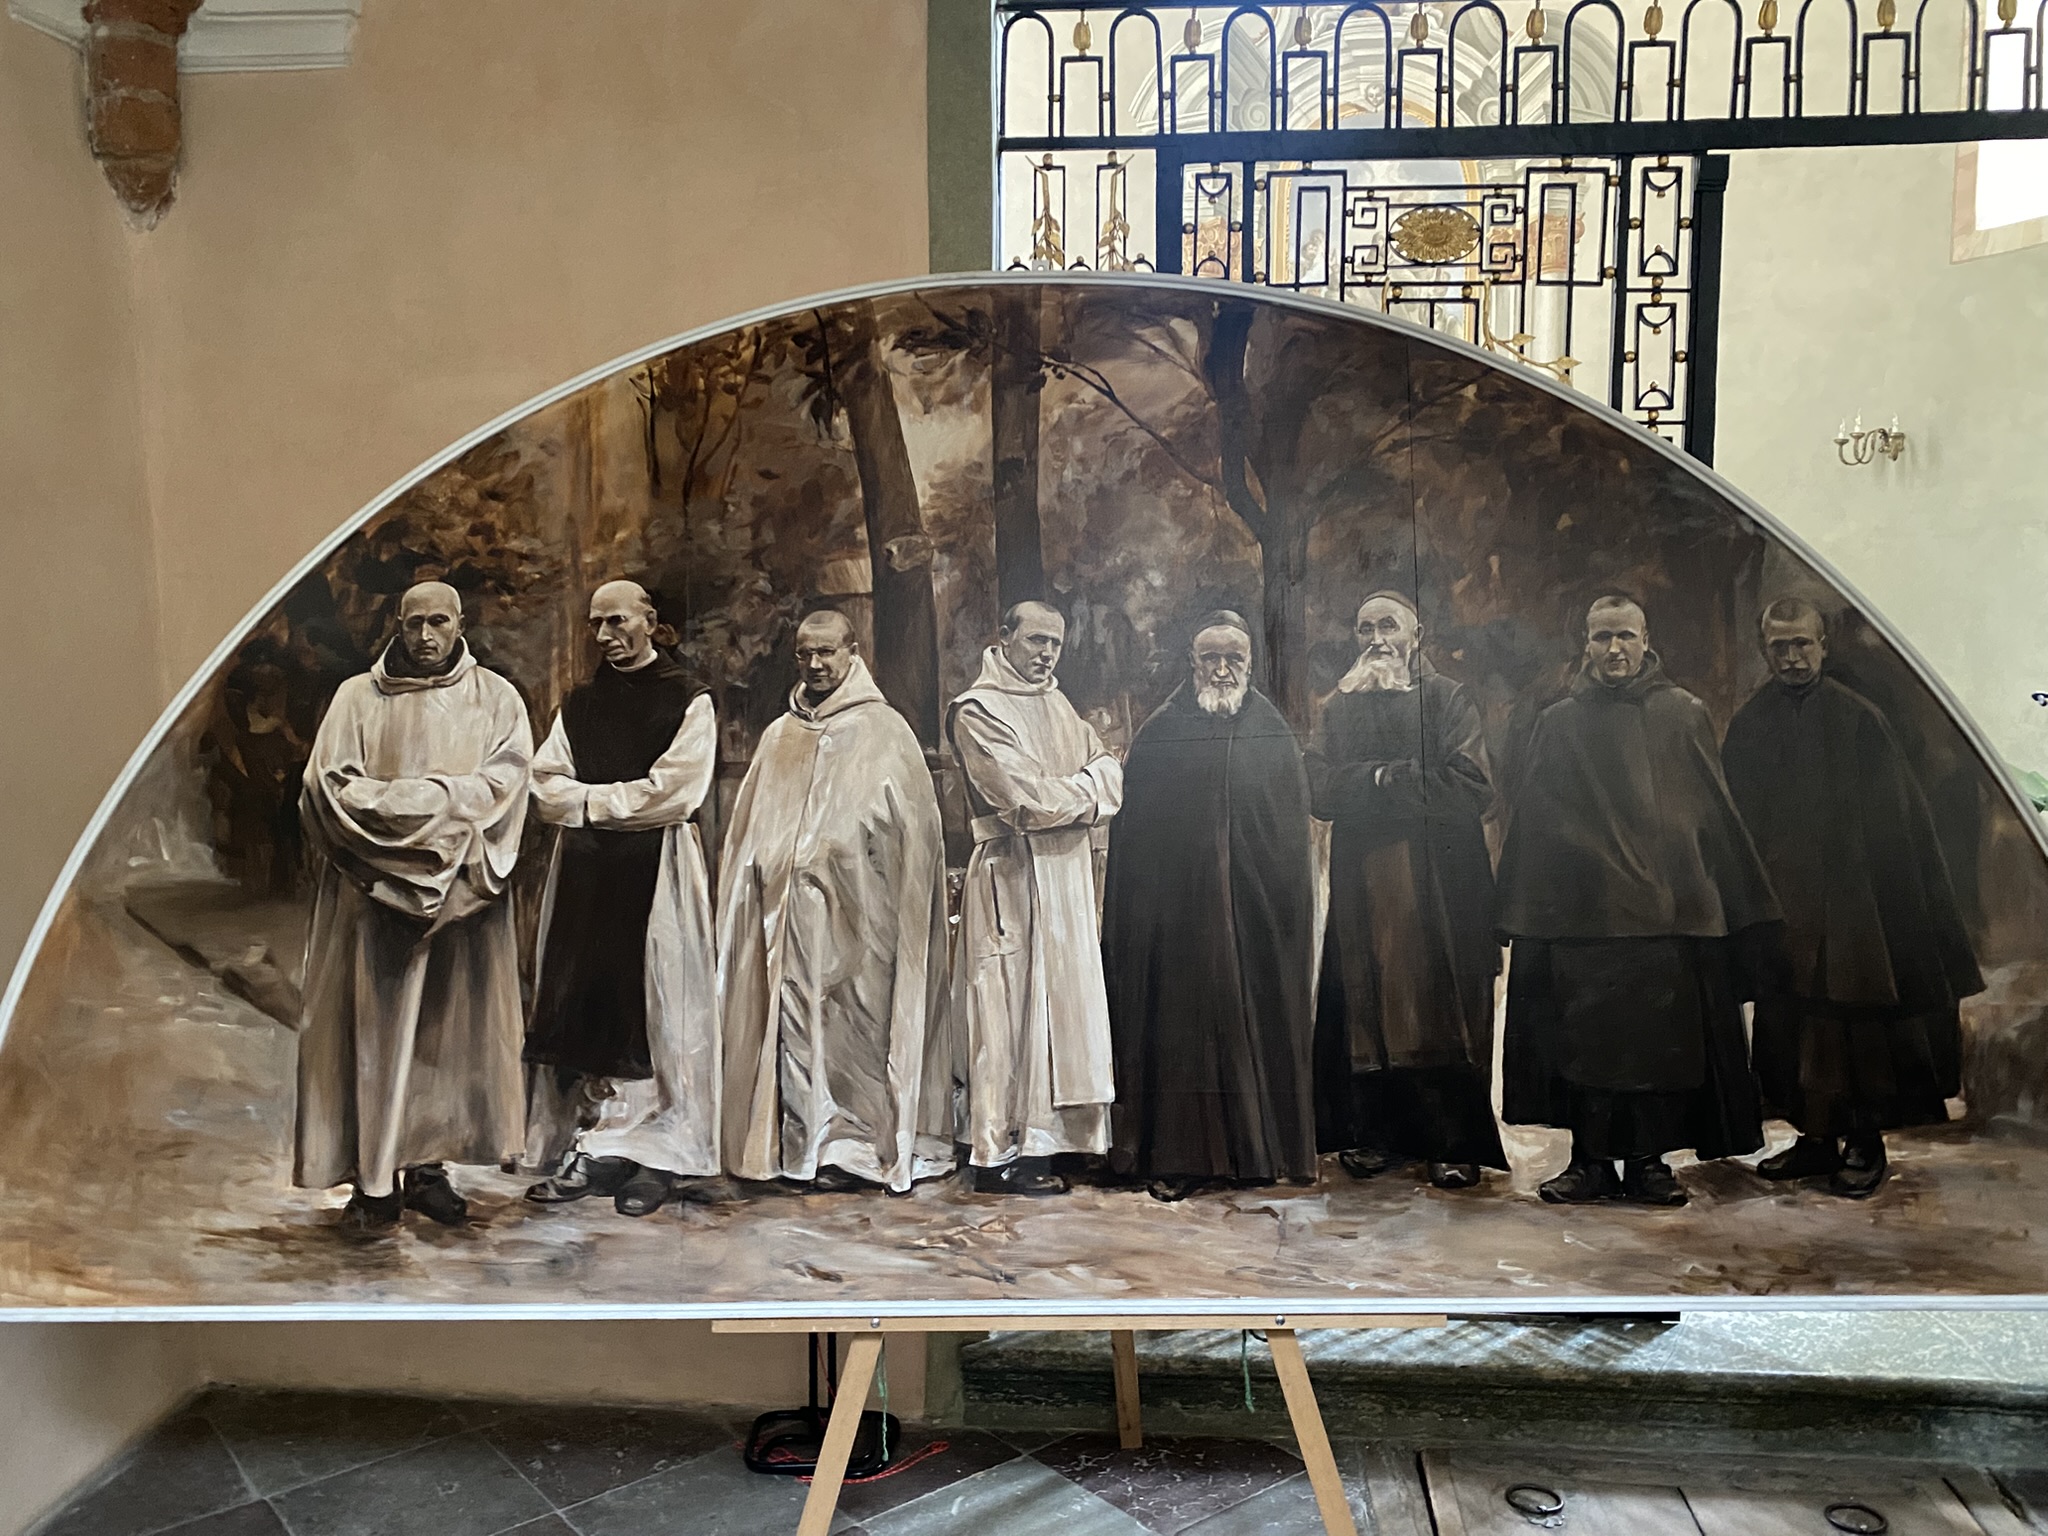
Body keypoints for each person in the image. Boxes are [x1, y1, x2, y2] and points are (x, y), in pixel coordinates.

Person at [1495, 595, 1779, 1206]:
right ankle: (1590, 1165)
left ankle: (1651, 1165)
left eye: (1625, 636)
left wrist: (1722, 899)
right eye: (1602, 637)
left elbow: (1710, 811)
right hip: (1586, 918)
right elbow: (1537, 819)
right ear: (1586, 644)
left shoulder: (1683, 714)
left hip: (1666, 916)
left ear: (1647, 640)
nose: (1614, 649)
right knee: (1586, 1048)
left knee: (1658, 1051)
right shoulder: (1559, 722)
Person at [1721, 597, 1983, 1198]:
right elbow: (1736, 819)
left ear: (1823, 645)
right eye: (1779, 647)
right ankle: (1814, 1140)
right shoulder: (1751, 723)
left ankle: (1864, 1144)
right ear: (1765, 650)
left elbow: (1898, 827)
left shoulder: (1860, 720)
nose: (1792, 657)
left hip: (1852, 906)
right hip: (1783, 905)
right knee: (1789, 1026)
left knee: (1852, 1033)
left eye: (1802, 644)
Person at [296, 581, 533, 1230]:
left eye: (439, 622)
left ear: (461, 623)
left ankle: (428, 1168)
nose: (426, 636)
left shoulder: (497, 699)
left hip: (460, 899)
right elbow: (328, 787)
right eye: (414, 624)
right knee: (378, 1033)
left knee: (443, 1035)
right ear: (397, 626)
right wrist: (432, 818)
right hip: (373, 894)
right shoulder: (357, 698)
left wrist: (412, 813)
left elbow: (507, 784)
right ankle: (374, 1184)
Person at [717, 610, 954, 1192]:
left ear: (853, 652)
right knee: (796, 1031)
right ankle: (801, 1150)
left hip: (863, 915)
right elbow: (750, 829)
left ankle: (859, 1150)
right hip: (788, 916)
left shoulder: (884, 731)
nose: (816, 664)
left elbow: (916, 835)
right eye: (805, 654)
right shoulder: (780, 736)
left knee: (856, 1036)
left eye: (827, 652)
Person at [1102, 610, 1318, 1202]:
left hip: (1254, 920)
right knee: (1182, 1033)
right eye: (1211, 659)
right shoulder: (1160, 734)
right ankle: (1180, 1158)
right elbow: (1136, 845)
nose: (1222, 670)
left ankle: (1261, 1154)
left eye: (1234, 659)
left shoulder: (1272, 732)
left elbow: (1287, 840)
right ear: (1192, 663)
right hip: (1179, 926)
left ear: (1250, 664)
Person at [521, 580, 720, 1218]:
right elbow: (543, 784)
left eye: (617, 621)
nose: (605, 635)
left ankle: (658, 1158)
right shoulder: (580, 704)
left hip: (657, 870)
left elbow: (676, 792)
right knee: (590, 1005)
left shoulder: (689, 699)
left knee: (661, 1012)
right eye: (596, 624)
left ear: (650, 621)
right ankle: (597, 1147)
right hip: (585, 872)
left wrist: (588, 802)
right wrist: (604, 804)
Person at [1308, 593, 1507, 1192]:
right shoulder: (1338, 707)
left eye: (1388, 626)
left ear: (1416, 637)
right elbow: (1316, 788)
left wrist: (1377, 783)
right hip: (1363, 887)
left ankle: (1451, 1144)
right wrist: (1385, 779)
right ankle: (1378, 1137)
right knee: (1365, 1011)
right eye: (1365, 627)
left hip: (1438, 887)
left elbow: (1472, 786)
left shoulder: (1448, 698)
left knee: (1440, 1009)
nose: (1376, 639)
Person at [948, 600, 1123, 1195]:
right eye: (1036, 640)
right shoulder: (977, 710)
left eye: (1055, 643)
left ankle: (1063, 1142)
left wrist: (1078, 790)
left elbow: (1111, 771)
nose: (1047, 653)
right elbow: (1024, 799)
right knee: (1008, 1013)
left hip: (1066, 875)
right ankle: (998, 1155)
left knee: (1067, 1010)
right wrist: (1088, 793)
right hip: (1012, 876)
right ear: (1004, 637)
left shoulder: (1058, 703)